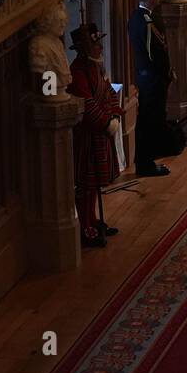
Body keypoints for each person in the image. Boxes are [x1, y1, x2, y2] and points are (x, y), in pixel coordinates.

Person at [67, 23, 123, 247]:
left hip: (101, 131)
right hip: (88, 134)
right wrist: (105, 122)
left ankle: (95, 220)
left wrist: (115, 115)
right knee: (86, 184)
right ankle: (86, 225)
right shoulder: (78, 71)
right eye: (95, 43)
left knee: (96, 183)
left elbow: (109, 92)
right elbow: (86, 103)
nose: (100, 47)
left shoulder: (96, 67)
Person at [127, 0, 173, 177]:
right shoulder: (145, 21)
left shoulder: (143, 18)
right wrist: (165, 73)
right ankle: (146, 164)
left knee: (151, 119)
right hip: (152, 79)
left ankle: (147, 161)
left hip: (151, 77)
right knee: (150, 121)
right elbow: (153, 53)